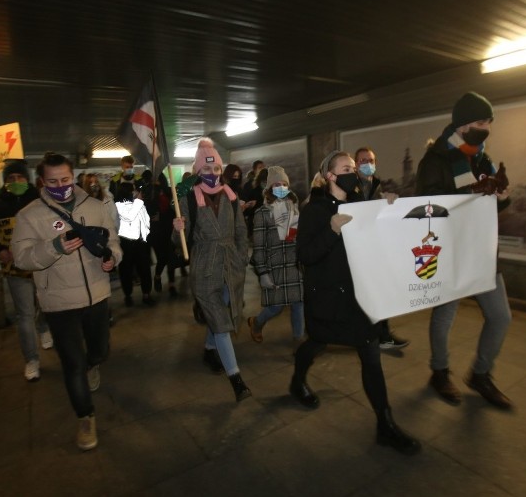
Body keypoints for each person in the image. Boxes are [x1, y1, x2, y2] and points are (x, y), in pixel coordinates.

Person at [290, 150, 420, 455]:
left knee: (371, 355)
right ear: (331, 176)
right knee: (317, 342)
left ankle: (385, 425)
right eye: (346, 168)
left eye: (354, 167)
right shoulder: (314, 210)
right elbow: (305, 255)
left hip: (359, 295)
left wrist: (387, 208)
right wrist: (332, 230)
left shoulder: (361, 205)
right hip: (327, 297)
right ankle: (297, 381)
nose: (354, 171)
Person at [11, 152, 121, 451]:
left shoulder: (96, 207)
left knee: (99, 350)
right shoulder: (29, 216)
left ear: (73, 176)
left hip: (97, 295)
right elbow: (22, 258)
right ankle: (85, 417)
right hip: (58, 302)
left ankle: (93, 364)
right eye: (53, 181)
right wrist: (54, 247)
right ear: (41, 181)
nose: (61, 186)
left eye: (65, 179)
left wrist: (112, 258)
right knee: (72, 363)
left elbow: (112, 241)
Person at [415, 91, 513, 409]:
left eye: (488, 123)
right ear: (462, 125)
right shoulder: (436, 160)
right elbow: (427, 206)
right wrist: (472, 193)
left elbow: (492, 205)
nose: (487, 128)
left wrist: (501, 195)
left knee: (500, 317)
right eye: (482, 122)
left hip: (482, 249)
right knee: (445, 316)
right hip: (451, 250)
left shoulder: (482, 157)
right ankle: (439, 371)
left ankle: (480, 374)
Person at [173, 138, 251, 402]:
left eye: (216, 170)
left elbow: (241, 230)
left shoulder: (230, 196)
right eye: (206, 170)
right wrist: (177, 230)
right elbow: (179, 241)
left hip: (231, 264)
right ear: (198, 171)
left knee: (222, 312)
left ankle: (209, 349)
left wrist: (241, 257)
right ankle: (236, 378)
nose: (212, 175)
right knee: (220, 322)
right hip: (204, 265)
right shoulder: (187, 199)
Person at [0, 159, 53, 382]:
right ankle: (31, 360)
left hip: (42, 266)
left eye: (20, 177)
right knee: (24, 314)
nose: (16, 181)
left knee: (46, 304)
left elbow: (57, 224)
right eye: (11, 178)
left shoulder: (41, 201)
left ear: (27, 179)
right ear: (5, 181)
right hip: (15, 270)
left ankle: (44, 325)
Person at [354, 147, 411, 351]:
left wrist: (389, 202)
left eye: (370, 160)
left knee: (382, 294)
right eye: (362, 161)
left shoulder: (376, 186)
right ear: (355, 164)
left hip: (376, 250)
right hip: (359, 251)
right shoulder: (352, 187)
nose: (367, 164)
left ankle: (381, 335)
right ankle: (369, 336)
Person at [247, 166, 304, 344]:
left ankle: (298, 341)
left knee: (298, 305)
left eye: (284, 184)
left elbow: (297, 237)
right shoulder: (262, 213)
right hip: (275, 267)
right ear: (270, 188)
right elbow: (258, 246)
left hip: (294, 265)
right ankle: (256, 322)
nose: (281, 187)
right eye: (276, 184)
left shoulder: (294, 208)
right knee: (276, 307)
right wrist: (262, 272)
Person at [115, 181, 155, 306]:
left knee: (142, 268)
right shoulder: (118, 207)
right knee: (128, 269)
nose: (137, 192)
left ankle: (144, 294)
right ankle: (130, 294)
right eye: (134, 190)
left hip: (138, 242)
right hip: (127, 242)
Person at [149, 172, 179, 297]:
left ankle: (172, 284)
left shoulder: (169, 192)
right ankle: (157, 276)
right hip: (156, 233)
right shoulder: (150, 194)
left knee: (170, 258)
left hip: (169, 231)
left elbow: (175, 209)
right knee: (162, 258)